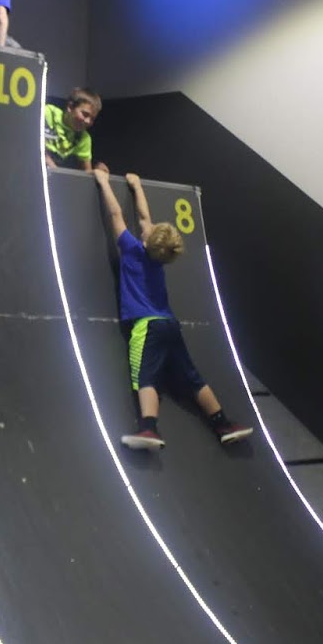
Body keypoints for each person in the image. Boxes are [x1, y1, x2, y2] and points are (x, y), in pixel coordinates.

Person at [92, 168, 255, 451]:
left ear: (146, 240)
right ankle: (223, 424)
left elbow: (116, 214)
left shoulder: (131, 249)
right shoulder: (159, 259)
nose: (147, 225)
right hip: (169, 324)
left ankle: (149, 428)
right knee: (192, 378)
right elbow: (145, 218)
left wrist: (103, 182)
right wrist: (137, 187)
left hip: (147, 327)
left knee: (145, 376)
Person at [44, 88, 104, 173]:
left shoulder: (83, 138)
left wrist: (99, 172)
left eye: (92, 119)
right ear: (70, 107)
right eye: (85, 114)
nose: (88, 121)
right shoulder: (46, 113)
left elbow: (87, 173)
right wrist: (55, 170)